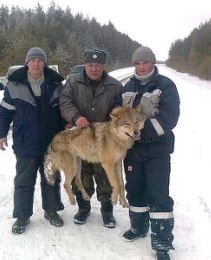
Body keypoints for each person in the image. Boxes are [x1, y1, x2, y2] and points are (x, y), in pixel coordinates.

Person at [117, 46, 180, 260]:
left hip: (157, 151)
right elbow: (117, 116)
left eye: (145, 62)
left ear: (152, 63)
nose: (142, 66)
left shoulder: (165, 86)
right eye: (138, 63)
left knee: (158, 195)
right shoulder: (126, 88)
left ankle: (162, 243)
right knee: (134, 190)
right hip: (132, 152)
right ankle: (139, 227)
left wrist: (138, 133)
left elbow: (169, 119)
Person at [0, 47, 65, 235]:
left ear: (44, 63)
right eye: (32, 60)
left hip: (52, 143)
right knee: (24, 180)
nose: (36, 63)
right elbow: (4, 113)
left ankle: (51, 211)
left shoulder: (56, 84)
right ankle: (22, 215)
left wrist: (67, 128)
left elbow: (63, 112)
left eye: (40, 60)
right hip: (25, 142)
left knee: (51, 178)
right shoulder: (14, 85)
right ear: (27, 63)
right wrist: (0, 133)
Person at [60, 48, 122, 228]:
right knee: (81, 175)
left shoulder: (115, 86)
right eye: (90, 64)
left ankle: (107, 211)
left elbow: (119, 111)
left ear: (103, 66)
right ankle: (83, 208)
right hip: (80, 139)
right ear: (85, 65)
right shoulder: (72, 82)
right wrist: (75, 117)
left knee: (105, 176)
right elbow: (65, 102)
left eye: (98, 65)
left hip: (104, 142)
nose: (94, 68)